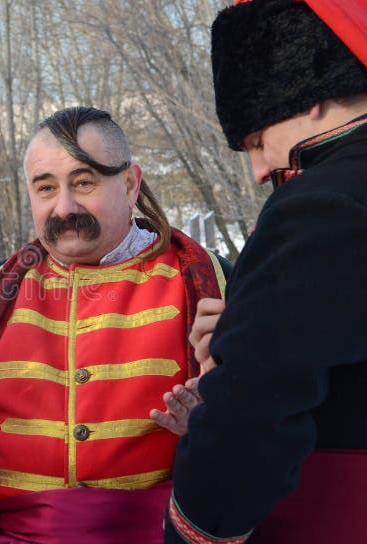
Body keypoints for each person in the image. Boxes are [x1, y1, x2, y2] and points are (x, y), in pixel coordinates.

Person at [0, 106, 229, 543]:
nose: (65, 206)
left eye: (84, 182)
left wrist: (220, 426)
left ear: (131, 184)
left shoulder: (217, 289)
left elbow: (275, 448)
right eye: (46, 188)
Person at [165, 1, 367, 542]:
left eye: (256, 141)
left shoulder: (321, 205)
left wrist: (197, 525)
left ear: (311, 96)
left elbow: (250, 414)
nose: (257, 171)